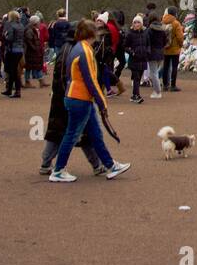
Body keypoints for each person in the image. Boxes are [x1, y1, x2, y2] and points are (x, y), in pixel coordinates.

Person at [49, 19, 130, 183]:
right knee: (72, 135)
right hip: (80, 98)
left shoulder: (79, 48)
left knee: (95, 133)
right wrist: (102, 102)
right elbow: (90, 80)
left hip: (78, 97)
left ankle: (110, 165)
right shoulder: (84, 51)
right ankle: (58, 170)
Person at [39, 29, 105, 176]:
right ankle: (96, 164)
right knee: (79, 133)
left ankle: (46, 163)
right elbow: (67, 78)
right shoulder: (75, 51)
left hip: (64, 97)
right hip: (72, 97)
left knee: (60, 132)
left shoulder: (67, 49)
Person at [123, 14, 150, 103]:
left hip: (143, 59)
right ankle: (136, 95)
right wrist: (132, 53)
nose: (136, 24)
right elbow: (125, 46)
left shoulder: (145, 33)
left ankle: (134, 95)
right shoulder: (130, 34)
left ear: (141, 24)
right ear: (132, 24)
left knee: (139, 77)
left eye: (138, 22)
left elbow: (148, 44)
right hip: (134, 59)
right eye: (135, 22)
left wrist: (147, 52)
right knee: (136, 77)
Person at [0, 10, 25, 98]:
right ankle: (10, 89)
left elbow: (9, 38)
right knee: (13, 70)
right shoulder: (21, 25)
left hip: (11, 50)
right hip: (19, 50)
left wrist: (4, 36)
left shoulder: (9, 24)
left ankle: (16, 91)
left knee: (12, 71)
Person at [145, 9, 168, 99]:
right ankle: (156, 90)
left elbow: (147, 41)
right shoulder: (162, 29)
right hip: (160, 52)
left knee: (153, 73)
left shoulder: (149, 30)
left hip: (152, 53)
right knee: (155, 72)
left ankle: (157, 91)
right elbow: (165, 41)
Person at [161, 7, 184, 92]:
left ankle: (165, 85)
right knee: (174, 67)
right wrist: (180, 45)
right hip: (174, 49)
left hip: (165, 48)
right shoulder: (176, 23)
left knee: (165, 67)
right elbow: (180, 37)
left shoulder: (162, 22)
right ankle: (173, 85)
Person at [24, 14, 47, 89]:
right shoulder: (29, 30)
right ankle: (28, 81)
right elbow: (29, 41)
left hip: (32, 51)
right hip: (31, 52)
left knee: (34, 66)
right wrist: (35, 48)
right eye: (38, 22)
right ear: (35, 23)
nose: (39, 24)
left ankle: (40, 81)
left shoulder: (31, 29)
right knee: (29, 67)